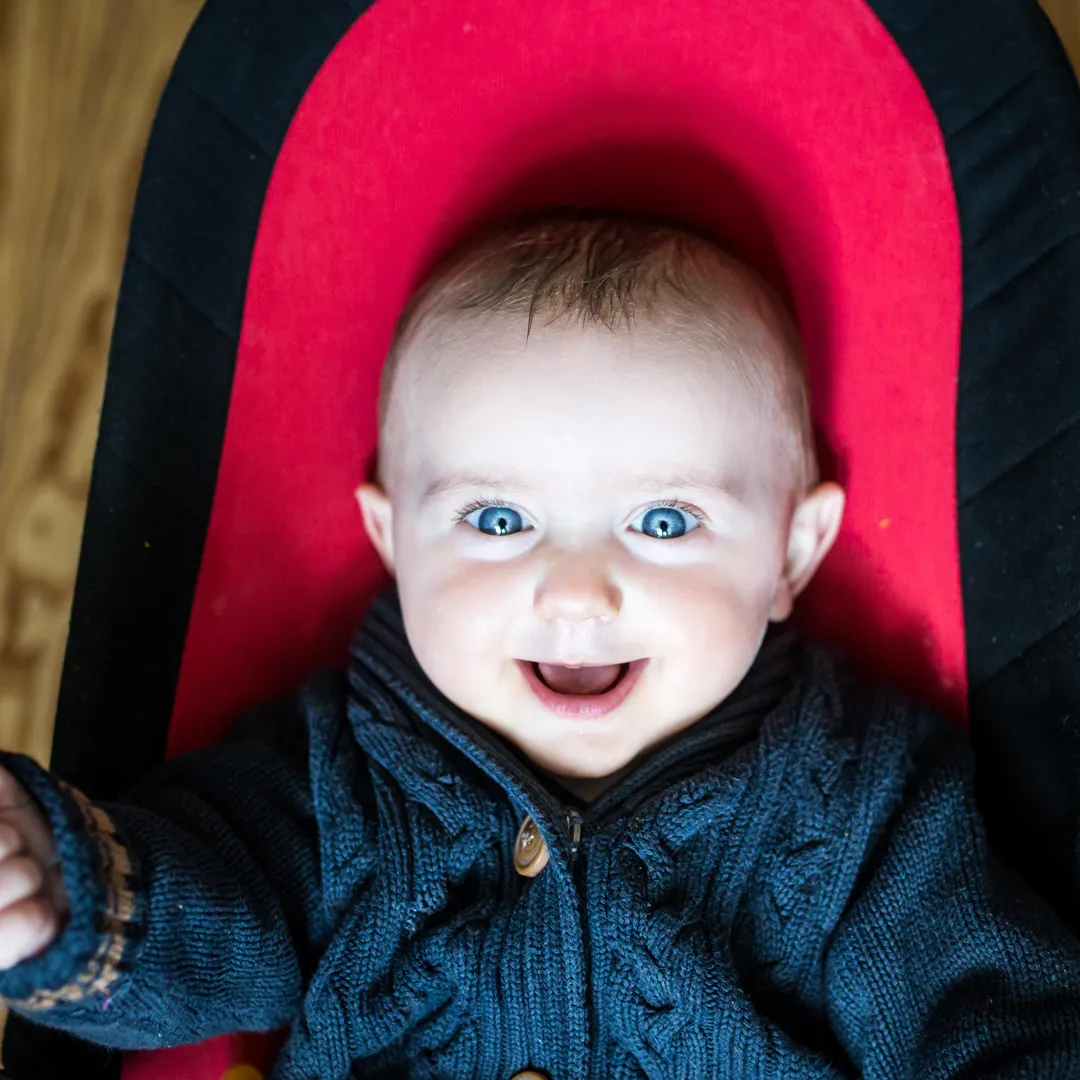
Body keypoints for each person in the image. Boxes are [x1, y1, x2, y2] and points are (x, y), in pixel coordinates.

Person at [1, 209, 1079, 1079]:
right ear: (393, 541)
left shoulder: (863, 807)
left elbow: (997, 1024)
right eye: (497, 519)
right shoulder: (337, 777)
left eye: (665, 522)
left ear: (792, 553)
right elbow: (204, 920)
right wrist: (59, 890)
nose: (574, 591)